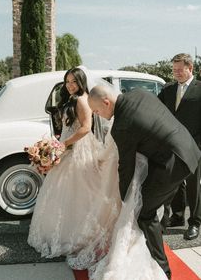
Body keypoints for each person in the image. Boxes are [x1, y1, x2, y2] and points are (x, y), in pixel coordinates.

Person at [88, 85, 201, 279]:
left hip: (173, 164)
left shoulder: (121, 125)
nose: (98, 115)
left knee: (145, 212)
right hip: (189, 148)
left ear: (106, 102)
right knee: (157, 201)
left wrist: (126, 201)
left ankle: (162, 269)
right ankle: (158, 233)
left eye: (97, 111)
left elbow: (126, 167)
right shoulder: (139, 92)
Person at [27, 67, 121, 270]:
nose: (70, 85)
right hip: (68, 147)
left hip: (79, 149)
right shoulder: (72, 99)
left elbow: (86, 127)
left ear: (81, 82)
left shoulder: (81, 99)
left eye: (74, 82)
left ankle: (78, 234)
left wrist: (63, 144)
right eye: (67, 81)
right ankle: (65, 231)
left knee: (80, 192)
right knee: (65, 193)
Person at [158, 53, 201, 240]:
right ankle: (177, 216)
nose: (175, 73)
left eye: (179, 70)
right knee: (175, 181)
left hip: (195, 146)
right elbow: (156, 110)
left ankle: (195, 222)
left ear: (190, 68)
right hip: (172, 144)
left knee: (193, 184)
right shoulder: (167, 90)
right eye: (174, 70)